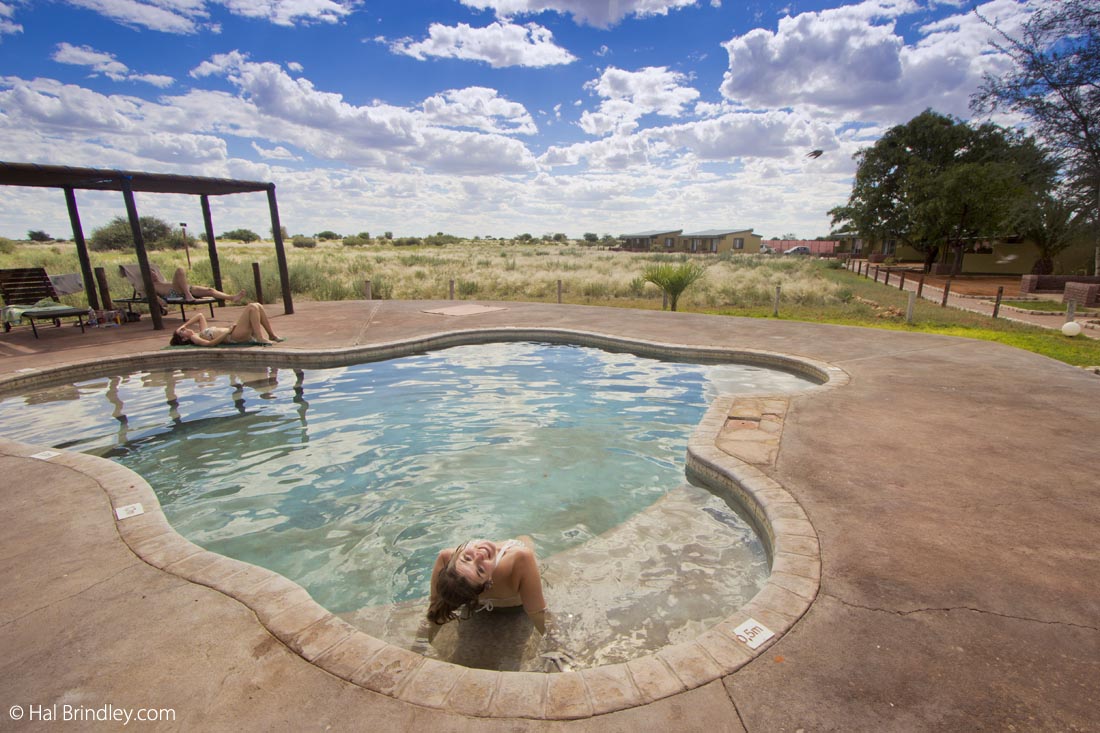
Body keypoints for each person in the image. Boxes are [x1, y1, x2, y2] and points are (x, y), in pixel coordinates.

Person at [427, 536, 549, 636]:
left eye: (467, 558)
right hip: (514, 607)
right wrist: (555, 646)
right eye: (480, 570)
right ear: (489, 583)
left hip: (476, 604)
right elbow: (537, 613)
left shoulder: (445, 558)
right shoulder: (520, 559)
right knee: (525, 539)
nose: (479, 555)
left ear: (453, 559)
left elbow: (435, 604)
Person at [169, 303, 285, 346]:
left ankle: (271, 335)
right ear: (184, 339)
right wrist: (228, 332)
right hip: (232, 336)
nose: (185, 328)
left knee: (257, 306)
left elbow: (199, 316)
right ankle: (260, 337)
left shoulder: (201, 332)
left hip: (234, 332)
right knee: (252, 307)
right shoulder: (195, 338)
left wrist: (182, 326)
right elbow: (210, 344)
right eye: (182, 331)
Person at [152, 266, 245, 306]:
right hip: (175, 293)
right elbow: (148, 296)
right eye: (151, 274)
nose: (154, 274)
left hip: (186, 289)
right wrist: (159, 300)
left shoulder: (162, 281)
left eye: (154, 272)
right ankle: (188, 295)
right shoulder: (151, 286)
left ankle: (232, 298)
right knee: (179, 270)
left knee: (210, 290)